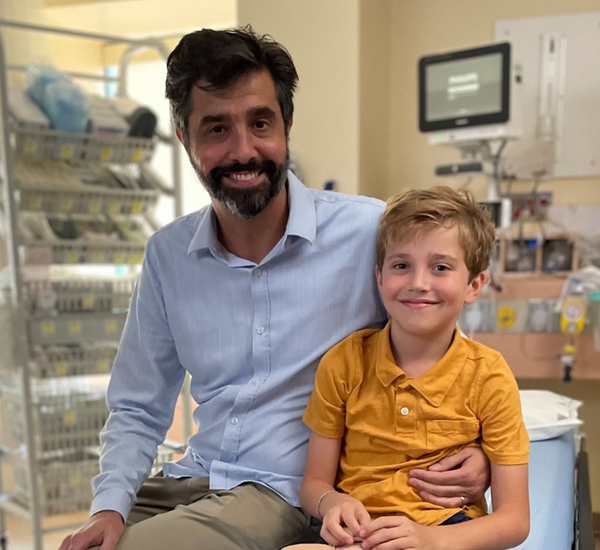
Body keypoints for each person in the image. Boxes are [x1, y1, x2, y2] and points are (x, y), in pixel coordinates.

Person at [59, 28, 491, 550]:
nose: (244, 150)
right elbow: (138, 407)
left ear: (287, 123)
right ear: (182, 135)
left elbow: (440, 351)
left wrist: (484, 452)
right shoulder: (168, 255)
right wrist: (108, 508)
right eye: (216, 129)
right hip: (190, 478)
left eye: (260, 123)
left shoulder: (368, 233)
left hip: (285, 493)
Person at [293, 186, 530, 550]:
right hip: (358, 535)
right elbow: (314, 484)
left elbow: (514, 521)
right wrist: (333, 503)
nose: (418, 283)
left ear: (474, 284)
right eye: (401, 265)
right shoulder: (344, 364)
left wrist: (430, 539)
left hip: (446, 533)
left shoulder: (489, 377)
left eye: (440, 267)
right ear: (380, 278)